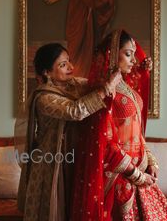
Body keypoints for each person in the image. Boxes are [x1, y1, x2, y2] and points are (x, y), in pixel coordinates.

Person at [71, 30, 167, 220]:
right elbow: (107, 144)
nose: (133, 60)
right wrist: (136, 175)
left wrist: (150, 160)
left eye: (133, 54)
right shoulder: (103, 92)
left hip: (139, 175)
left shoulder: (126, 87)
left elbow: (135, 132)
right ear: (111, 54)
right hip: (118, 178)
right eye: (128, 54)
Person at [15, 43, 122, 221]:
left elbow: (102, 83)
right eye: (63, 65)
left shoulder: (76, 85)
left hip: (75, 158)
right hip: (52, 165)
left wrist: (139, 70)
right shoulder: (44, 97)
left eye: (69, 62)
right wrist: (105, 88)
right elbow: (75, 111)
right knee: (54, 211)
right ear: (46, 72)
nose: (71, 67)